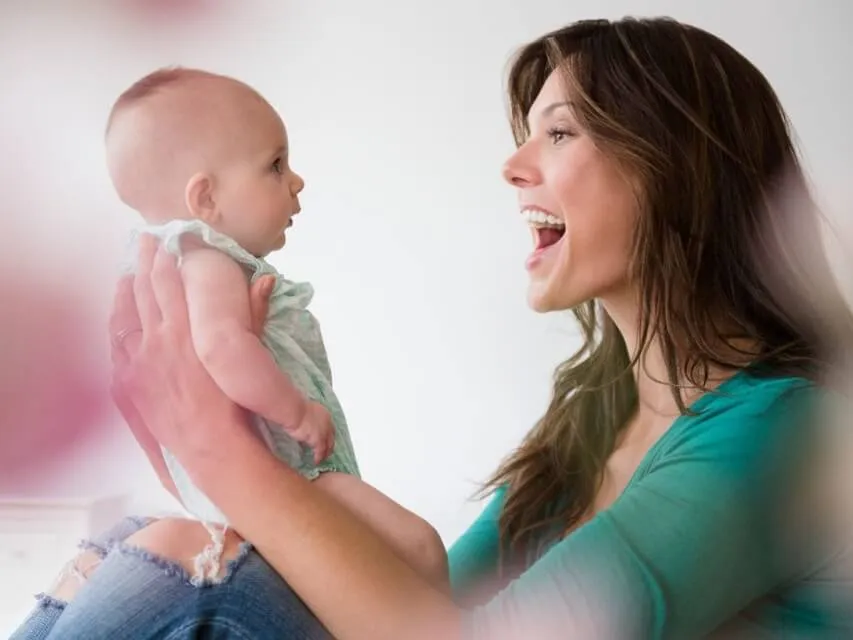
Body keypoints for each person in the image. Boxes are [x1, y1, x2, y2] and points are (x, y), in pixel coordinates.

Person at [12, 15, 853, 640]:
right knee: (139, 541)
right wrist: (204, 446)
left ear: (678, 172)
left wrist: (222, 456)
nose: (512, 166)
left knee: (190, 566)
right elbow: (428, 606)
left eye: (559, 133)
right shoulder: (590, 422)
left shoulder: (781, 429)